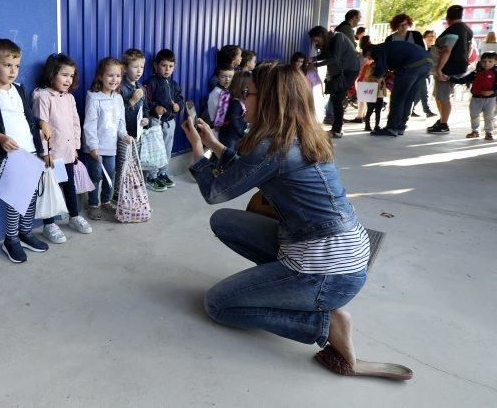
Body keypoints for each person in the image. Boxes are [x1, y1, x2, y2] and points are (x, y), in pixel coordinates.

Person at [181, 64, 385, 378]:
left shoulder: (272, 146)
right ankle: (282, 283)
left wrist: (196, 150)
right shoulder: (297, 133)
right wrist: (214, 145)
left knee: (219, 305)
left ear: (269, 100)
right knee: (225, 222)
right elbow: (251, 170)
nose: (243, 102)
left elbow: (215, 192)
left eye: (248, 95)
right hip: (344, 253)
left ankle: (325, 323)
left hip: (328, 271)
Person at [0, 39, 49, 263]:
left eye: (16, 66)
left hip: (30, 150)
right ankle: (11, 239)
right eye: (7, 65)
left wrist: (41, 124)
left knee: (31, 195)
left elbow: (26, 117)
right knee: (16, 199)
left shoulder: (19, 89)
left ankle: (26, 233)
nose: (13, 71)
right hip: (8, 154)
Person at [32, 53, 91, 241]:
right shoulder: (42, 97)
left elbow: (75, 123)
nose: (68, 79)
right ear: (51, 74)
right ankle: (49, 224)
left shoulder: (69, 98)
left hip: (67, 153)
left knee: (69, 186)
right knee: (51, 188)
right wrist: (45, 152)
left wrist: (75, 147)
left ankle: (74, 216)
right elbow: (41, 127)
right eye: (64, 75)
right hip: (52, 154)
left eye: (71, 75)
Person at [83, 57, 132, 219]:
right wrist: (92, 146)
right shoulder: (94, 98)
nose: (114, 79)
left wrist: (124, 135)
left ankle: (106, 201)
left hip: (111, 147)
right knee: (95, 175)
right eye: (110, 75)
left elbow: (120, 122)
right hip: (96, 148)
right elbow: (89, 125)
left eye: (118, 76)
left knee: (110, 173)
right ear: (101, 76)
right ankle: (93, 204)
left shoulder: (118, 99)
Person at [368, 41, 431, 137]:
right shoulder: (389, 47)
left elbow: (381, 67)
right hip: (426, 63)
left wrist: (374, 77)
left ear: (369, 51)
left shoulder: (378, 50)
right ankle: (400, 126)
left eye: (369, 57)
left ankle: (391, 128)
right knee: (408, 97)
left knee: (398, 96)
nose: (370, 59)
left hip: (412, 65)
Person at [428, 5, 473, 134]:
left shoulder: (452, 30)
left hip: (447, 68)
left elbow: (447, 50)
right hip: (460, 67)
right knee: (439, 96)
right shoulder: (467, 30)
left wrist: (439, 69)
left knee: (442, 97)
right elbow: (469, 50)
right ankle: (442, 119)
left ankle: (443, 124)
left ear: (448, 17)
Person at [308, 26, 360, 138]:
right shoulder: (330, 41)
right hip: (340, 72)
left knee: (337, 99)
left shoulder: (338, 37)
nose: (315, 43)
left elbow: (335, 58)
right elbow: (327, 55)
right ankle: (336, 129)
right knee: (336, 99)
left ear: (322, 35)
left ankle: (337, 130)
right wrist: (314, 58)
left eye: (316, 40)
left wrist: (315, 64)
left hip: (349, 71)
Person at [144, 48, 184, 190]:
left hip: (169, 122)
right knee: (156, 149)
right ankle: (152, 176)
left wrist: (178, 106)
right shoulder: (151, 82)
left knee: (167, 148)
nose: (167, 69)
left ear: (174, 67)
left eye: (171, 66)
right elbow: (146, 100)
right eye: (163, 65)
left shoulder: (173, 84)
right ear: (155, 65)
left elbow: (180, 98)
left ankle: (163, 173)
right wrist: (155, 107)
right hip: (156, 121)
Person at [116, 48, 150, 200]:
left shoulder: (141, 87)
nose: (139, 70)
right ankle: (117, 194)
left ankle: (129, 190)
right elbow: (117, 114)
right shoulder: (120, 87)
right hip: (125, 134)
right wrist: (132, 101)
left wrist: (147, 119)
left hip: (138, 134)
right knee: (123, 164)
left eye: (142, 67)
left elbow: (146, 109)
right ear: (124, 68)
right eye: (135, 67)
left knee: (134, 163)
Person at [451, 51, 497, 140]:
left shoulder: (495, 73)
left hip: (490, 99)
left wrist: (492, 91)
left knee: (489, 116)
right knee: (474, 114)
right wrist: (450, 78)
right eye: (484, 61)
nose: (486, 64)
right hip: (476, 98)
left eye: (490, 61)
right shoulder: (476, 72)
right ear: (481, 61)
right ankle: (475, 131)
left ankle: (489, 132)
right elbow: (463, 80)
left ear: (495, 61)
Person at [357, 52, 387, 132]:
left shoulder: (383, 66)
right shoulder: (370, 67)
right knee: (370, 109)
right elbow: (367, 77)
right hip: (373, 90)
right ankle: (367, 125)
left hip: (379, 91)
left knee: (378, 110)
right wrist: (376, 79)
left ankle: (376, 125)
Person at [410, 31, 438, 118]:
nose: (431, 38)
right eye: (429, 36)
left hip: (428, 73)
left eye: (433, 36)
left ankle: (411, 109)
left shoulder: (434, 49)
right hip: (420, 72)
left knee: (419, 93)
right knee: (424, 92)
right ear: (424, 37)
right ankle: (427, 111)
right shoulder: (421, 47)